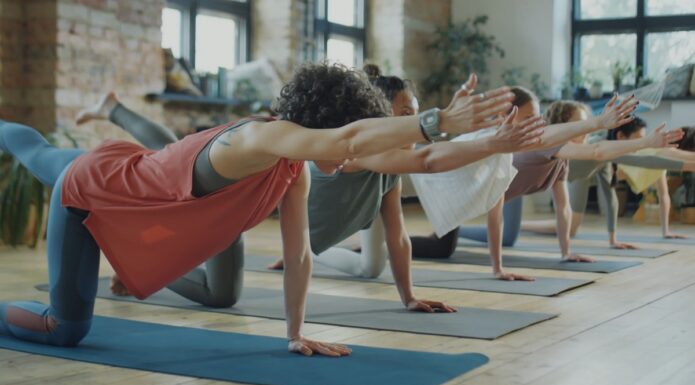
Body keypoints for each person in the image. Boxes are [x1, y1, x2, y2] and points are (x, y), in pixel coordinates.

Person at [0, 63, 518, 356]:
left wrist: (295, 334)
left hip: (121, 170)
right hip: (89, 194)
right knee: (65, 331)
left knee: (39, 150)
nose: (353, 156)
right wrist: (437, 119)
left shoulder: (290, 170)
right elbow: (353, 136)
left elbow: (300, 257)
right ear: (320, 130)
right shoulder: (258, 138)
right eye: (344, 144)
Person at [80, 64, 544, 313]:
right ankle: (112, 114)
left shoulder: (346, 159)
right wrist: (466, 132)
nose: (404, 121)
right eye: (401, 113)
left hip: (235, 212)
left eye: (410, 113)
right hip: (205, 182)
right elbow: (426, 155)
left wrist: (406, 298)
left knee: (220, 291)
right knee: (171, 162)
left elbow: (401, 221)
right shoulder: (353, 145)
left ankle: (133, 264)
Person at [410, 87, 681, 281]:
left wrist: (566, 252)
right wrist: (497, 269)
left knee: (449, 245)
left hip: (485, 193)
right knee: (444, 247)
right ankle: (382, 244)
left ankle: (387, 243)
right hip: (442, 186)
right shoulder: (532, 143)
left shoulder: (552, 154)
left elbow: (563, 207)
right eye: (528, 118)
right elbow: (595, 152)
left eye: (536, 118)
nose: (534, 124)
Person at [521, 110, 695, 248]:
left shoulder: (606, 158)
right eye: (640, 139)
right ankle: (518, 225)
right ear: (620, 137)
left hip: (577, 175)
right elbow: (645, 161)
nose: (643, 143)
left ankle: (522, 226)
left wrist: (613, 239)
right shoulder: (605, 150)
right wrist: (687, 166)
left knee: (571, 228)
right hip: (545, 171)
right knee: (569, 225)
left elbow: (609, 195)